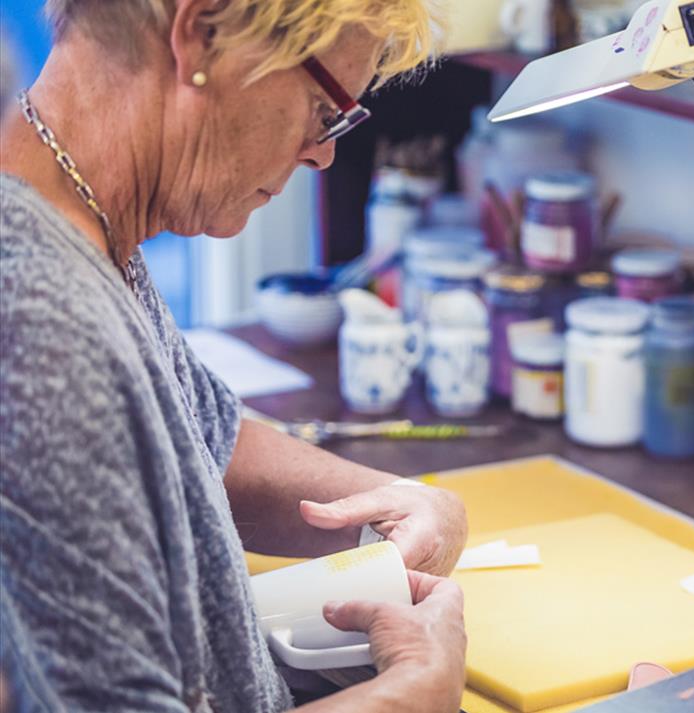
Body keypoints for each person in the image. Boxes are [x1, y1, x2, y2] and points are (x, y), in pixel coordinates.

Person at [0, 1, 469, 711]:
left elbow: (196, 440)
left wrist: (391, 504)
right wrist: (411, 694)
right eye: (322, 108)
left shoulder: (81, 216)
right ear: (200, 37)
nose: (323, 153)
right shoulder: (41, 322)